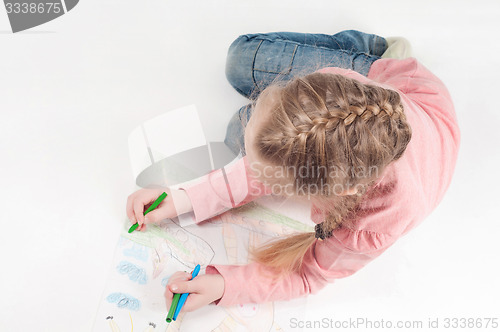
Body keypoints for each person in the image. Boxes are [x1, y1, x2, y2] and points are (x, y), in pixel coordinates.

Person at [125, 30, 460, 312]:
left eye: (273, 182)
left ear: (332, 191)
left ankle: (367, 52)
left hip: (405, 105)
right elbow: (268, 165)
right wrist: (184, 199)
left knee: (236, 133)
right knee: (240, 66)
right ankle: (369, 55)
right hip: (398, 86)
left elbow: (307, 276)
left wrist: (223, 285)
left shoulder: (373, 223)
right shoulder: (336, 89)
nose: (260, 178)